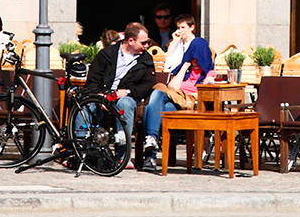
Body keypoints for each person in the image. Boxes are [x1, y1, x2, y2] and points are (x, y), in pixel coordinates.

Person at [141, 13, 213, 172]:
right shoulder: (185, 67)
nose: (194, 59)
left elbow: (207, 88)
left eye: (196, 56)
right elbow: (172, 85)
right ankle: (151, 144)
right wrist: (185, 64)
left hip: (188, 102)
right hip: (174, 98)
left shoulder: (209, 74)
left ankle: (150, 155)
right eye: (178, 27)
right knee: (157, 99)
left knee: (150, 108)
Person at [83, 22, 155, 146]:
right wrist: (99, 95)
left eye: (147, 42)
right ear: (131, 41)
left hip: (126, 97)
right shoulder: (107, 54)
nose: (146, 46)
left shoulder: (145, 59)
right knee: (85, 103)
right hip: (103, 95)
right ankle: (79, 145)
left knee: (125, 103)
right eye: (143, 42)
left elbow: (148, 85)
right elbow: (93, 80)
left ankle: (123, 153)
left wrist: (127, 92)